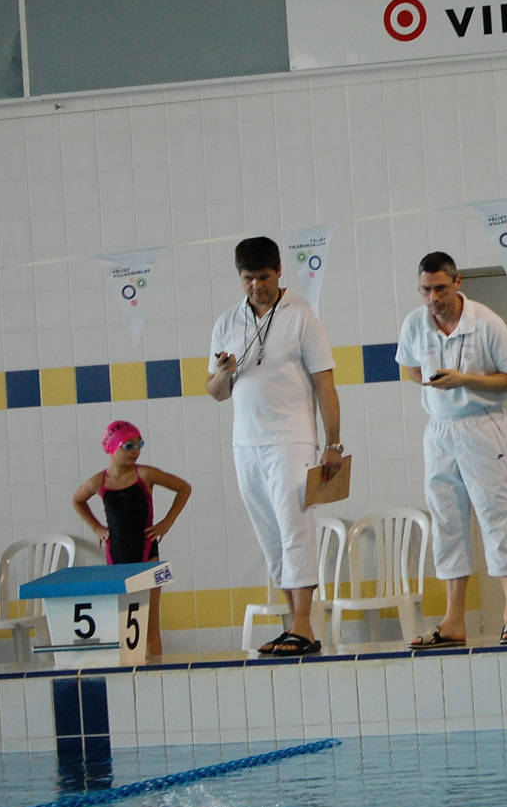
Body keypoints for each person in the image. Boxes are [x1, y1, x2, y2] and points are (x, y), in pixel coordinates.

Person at [207, 236, 342, 657]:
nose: (256, 286)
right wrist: (224, 372)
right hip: (246, 444)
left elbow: (325, 385)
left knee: (295, 529)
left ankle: (303, 625)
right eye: (248, 278)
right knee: (271, 538)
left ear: (279, 272)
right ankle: (295, 627)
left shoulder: (302, 316)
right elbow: (216, 391)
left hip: (292, 439)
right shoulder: (227, 322)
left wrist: (334, 443)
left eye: (264, 277)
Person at [396, 252, 507, 647]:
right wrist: (439, 386)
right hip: (439, 430)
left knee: (497, 516)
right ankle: (453, 620)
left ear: (458, 282)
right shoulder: (415, 323)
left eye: (440, 288)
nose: (433, 298)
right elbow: (410, 367)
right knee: (447, 522)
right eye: (425, 290)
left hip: (482, 425)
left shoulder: (486, 323)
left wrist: (464, 381)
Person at [69, 420, 190, 657]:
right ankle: (129, 671)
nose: (136, 451)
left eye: (139, 444)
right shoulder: (98, 482)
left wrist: (167, 522)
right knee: (123, 626)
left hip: (147, 557)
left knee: (151, 627)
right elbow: (77, 500)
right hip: (116, 560)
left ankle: (155, 673)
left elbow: (183, 488)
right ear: (112, 448)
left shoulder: (145, 474)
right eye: (129, 445)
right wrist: (96, 528)